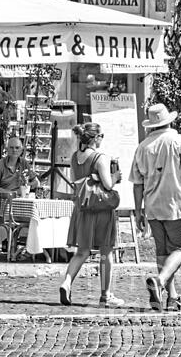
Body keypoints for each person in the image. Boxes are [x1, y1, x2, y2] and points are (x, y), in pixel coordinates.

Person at [131, 103, 181, 312]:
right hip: (176, 204)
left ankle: (171, 297)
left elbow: (137, 184)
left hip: (153, 206)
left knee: (163, 251)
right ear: (169, 120)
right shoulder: (179, 141)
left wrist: (138, 211)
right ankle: (161, 281)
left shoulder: (143, 146)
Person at [58, 123, 124, 308]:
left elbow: (75, 181)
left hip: (82, 210)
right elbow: (108, 185)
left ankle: (67, 282)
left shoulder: (75, 157)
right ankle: (106, 295)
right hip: (100, 209)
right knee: (106, 251)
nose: (103, 138)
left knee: (81, 252)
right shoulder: (99, 157)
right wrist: (116, 177)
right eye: (101, 135)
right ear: (95, 138)